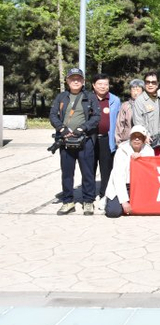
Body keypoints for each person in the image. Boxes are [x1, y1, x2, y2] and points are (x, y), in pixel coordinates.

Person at [49, 68, 101, 215]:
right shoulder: (61, 97)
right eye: (72, 79)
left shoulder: (90, 96)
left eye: (79, 79)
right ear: (67, 81)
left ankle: (88, 201)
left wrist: (82, 128)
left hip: (85, 140)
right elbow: (53, 115)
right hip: (65, 140)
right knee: (67, 173)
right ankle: (68, 201)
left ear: (83, 81)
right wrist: (62, 129)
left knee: (88, 173)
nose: (76, 81)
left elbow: (96, 116)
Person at [104, 125, 155, 218]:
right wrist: (124, 202)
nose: (136, 139)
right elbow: (118, 177)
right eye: (134, 136)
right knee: (113, 212)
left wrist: (142, 158)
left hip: (139, 186)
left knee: (147, 209)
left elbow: (151, 172)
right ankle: (109, 201)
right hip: (123, 185)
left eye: (139, 137)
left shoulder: (149, 151)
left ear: (144, 139)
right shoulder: (121, 151)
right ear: (130, 137)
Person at [91, 73, 121, 202]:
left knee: (106, 168)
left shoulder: (115, 100)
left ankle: (104, 194)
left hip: (107, 139)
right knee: (89, 167)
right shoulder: (87, 98)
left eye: (106, 84)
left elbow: (119, 120)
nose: (103, 86)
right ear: (94, 85)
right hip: (90, 139)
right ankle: (89, 195)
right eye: (100, 84)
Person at [133, 71, 160, 155]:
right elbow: (138, 122)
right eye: (148, 82)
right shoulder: (139, 101)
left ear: (158, 84)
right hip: (147, 143)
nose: (150, 85)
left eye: (153, 82)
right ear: (144, 84)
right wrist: (145, 135)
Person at [115, 79, 144, 144]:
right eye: (133, 90)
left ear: (142, 91)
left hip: (143, 139)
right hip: (127, 139)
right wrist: (118, 141)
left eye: (138, 90)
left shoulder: (146, 105)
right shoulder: (125, 105)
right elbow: (119, 124)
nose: (135, 93)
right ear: (130, 91)